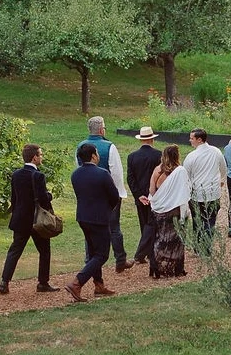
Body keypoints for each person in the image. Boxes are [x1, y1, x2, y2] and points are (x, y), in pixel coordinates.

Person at [0, 144, 59, 295]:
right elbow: (43, 199)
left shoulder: (16, 174)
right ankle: (43, 282)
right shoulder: (38, 176)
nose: (41, 157)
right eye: (40, 154)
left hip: (20, 219)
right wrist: (50, 195)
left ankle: (4, 282)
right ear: (34, 157)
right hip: (36, 220)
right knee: (44, 251)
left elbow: (14, 198)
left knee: (15, 251)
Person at [76, 116, 134, 273]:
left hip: (88, 195)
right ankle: (120, 259)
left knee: (90, 231)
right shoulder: (109, 146)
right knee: (114, 228)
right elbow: (116, 172)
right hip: (107, 194)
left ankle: (89, 260)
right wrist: (118, 192)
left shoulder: (80, 146)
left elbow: (79, 169)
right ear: (102, 130)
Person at [65, 143, 121, 302]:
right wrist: (107, 209)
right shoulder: (102, 174)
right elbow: (114, 196)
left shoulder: (75, 175)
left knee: (92, 252)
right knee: (102, 254)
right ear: (94, 156)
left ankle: (99, 284)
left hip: (83, 217)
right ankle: (77, 282)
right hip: (99, 218)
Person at [146, 144, 191, 277]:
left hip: (159, 209)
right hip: (175, 209)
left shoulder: (157, 170)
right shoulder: (180, 171)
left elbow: (152, 191)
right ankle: (176, 268)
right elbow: (185, 191)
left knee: (160, 238)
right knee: (177, 239)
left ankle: (157, 268)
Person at [183, 128, 227, 250]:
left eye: (192, 138)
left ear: (199, 140)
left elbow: (185, 176)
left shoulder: (191, 156)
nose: (190, 140)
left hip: (197, 194)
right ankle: (207, 247)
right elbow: (224, 169)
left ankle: (198, 246)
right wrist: (221, 181)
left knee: (197, 221)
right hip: (213, 193)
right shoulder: (216, 152)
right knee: (210, 221)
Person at [127, 126, 162, 273]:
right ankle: (150, 251)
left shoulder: (132, 157)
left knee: (144, 223)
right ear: (152, 139)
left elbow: (130, 179)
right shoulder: (159, 155)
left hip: (140, 197)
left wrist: (139, 195)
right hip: (156, 196)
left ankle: (145, 252)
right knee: (154, 224)